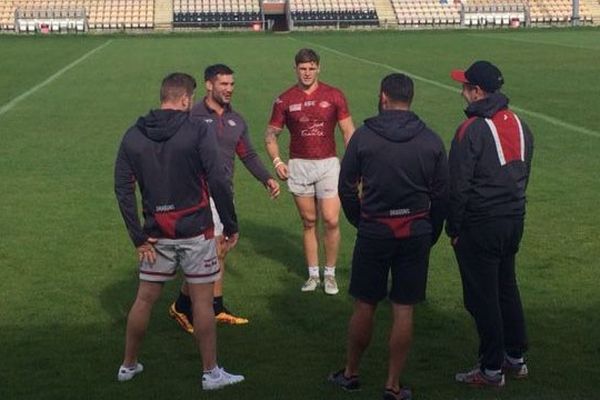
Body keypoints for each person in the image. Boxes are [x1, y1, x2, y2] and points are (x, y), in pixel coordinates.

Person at [114, 72, 244, 390]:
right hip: (196, 229)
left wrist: (138, 236)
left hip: (155, 233)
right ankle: (211, 373)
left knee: (143, 300)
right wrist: (229, 223)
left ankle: (128, 366)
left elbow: (122, 188)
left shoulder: (133, 135)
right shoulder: (197, 130)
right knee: (202, 301)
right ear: (186, 98)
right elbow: (217, 180)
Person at [330, 73, 448, 400]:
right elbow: (442, 196)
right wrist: (431, 229)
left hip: (375, 230)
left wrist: (360, 219)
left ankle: (351, 372)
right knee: (404, 308)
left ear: (383, 97)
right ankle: (392, 384)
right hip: (415, 230)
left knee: (365, 303)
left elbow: (346, 186)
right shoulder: (431, 140)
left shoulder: (364, 137)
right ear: (410, 99)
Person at [169, 64, 280, 331]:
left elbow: (248, 154)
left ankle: (213, 306)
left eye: (232, 85)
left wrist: (267, 178)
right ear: (209, 85)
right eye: (224, 84)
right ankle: (185, 306)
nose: (229, 89)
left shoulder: (236, 120)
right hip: (196, 194)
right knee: (208, 252)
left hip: (223, 194)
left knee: (219, 251)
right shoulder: (191, 116)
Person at [447, 60, 534, 387]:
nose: (462, 92)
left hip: (480, 224)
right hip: (513, 219)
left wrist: (453, 229)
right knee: (506, 287)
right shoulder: (522, 124)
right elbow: (525, 172)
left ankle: (491, 368)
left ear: (478, 92)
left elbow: (458, 185)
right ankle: (515, 357)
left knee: (483, 296)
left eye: (465, 87)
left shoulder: (471, 130)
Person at [264, 48, 355, 295]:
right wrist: (277, 162)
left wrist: (353, 162)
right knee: (309, 221)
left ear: (319, 69)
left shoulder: (334, 95)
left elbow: (348, 131)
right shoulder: (284, 100)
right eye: (302, 68)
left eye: (311, 68)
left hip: (328, 164)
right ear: (296, 69)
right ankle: (313, 275)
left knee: (332, 219)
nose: (307, 73)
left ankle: (331, 274)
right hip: (299, 165)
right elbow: (271, 135)